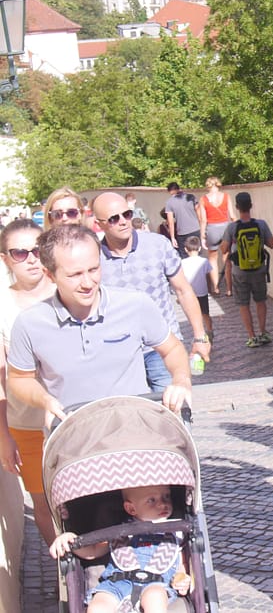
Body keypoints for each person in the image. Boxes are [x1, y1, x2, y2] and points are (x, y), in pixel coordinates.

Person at [6, 224, 191, 424]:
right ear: (50, 274)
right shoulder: (30, 323)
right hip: (74, 441)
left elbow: (172, 348)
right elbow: (19, 379)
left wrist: (181, 381)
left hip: (137, 435)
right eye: (74, 275)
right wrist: (44, 400)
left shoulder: (135, 304)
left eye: (93, 269)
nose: (87, 283)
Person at [92, 192, 211, 391]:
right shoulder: (93, 258)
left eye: (127, 214)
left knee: (173, 413)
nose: (123, 221)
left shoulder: (157, 245)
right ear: (100, 224)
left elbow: (183, 290)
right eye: (114, 219)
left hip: (164, 347)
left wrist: (200, 336)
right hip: (120, 356)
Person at [0, 219, 57, 545]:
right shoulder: (3, 306)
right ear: (6, 259)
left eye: (36, 250)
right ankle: (66, 572)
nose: (31, 258)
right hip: (27, 424)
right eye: (19, 253)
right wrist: (3, 436)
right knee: (43, 502)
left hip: (74, 416)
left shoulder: (67, 288)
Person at [50, 484, 191, 613]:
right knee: (98, 606)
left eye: (166, 496)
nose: (163, 504)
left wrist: (183, 578)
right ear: (131, 509)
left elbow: (182, 564)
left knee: (155, 598)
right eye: (152, 500)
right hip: (117, 583)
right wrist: (70, 540)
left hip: (156, 583)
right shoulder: (118, 531)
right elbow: (93, 551)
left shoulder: (176, 531)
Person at [221, 192, 273, 348]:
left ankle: (252, 337)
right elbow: (272, 243)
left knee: (243, 304)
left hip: (240, 272)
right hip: (259, 269)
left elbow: (224, 249)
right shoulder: (261, 224)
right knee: (260, 301)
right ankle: (263, 332)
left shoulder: (232, 227)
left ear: (237, 207)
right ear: (251, 206)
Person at [199, 177, 235, 296]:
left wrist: (202, 235)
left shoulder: (203, 199)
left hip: (212, 229)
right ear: (218, 184)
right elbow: (232, 215)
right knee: (227, 259)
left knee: (212, 259)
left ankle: (216, 288)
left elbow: (203, 220)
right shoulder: (226, 196)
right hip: (225, 228)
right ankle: (229, 289)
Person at [181, 236, 215, 342]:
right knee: (205, 313)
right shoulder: (204, 261)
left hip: (189, 294)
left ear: (186, 249)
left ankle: (199, 334)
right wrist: (210, 288)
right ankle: (209, 331)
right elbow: (208, 276)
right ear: (200, 248)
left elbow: (182, 280)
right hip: (202, 292)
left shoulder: (182, 263)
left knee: (194, 315)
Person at [164, 183, 201, 259]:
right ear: (179, 188)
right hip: (196, 229)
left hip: (182, 232)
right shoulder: (191, 197)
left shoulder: (169, 202)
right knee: (197, 253)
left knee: (184, 256)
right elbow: (199, 213)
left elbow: (170, 222)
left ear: (170, 191)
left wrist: (172, 237)